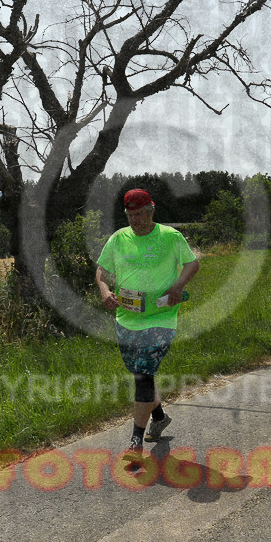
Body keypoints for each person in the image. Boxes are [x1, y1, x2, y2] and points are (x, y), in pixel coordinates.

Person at [95, 189, 200, 459]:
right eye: (130, 216)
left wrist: (178, 286)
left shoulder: (170, 237)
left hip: (160, 318)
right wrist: (105, 291)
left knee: (143, 374)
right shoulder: (118, 239)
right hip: (127, 319)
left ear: (151, 211)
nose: (135, 221)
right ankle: (160, 417)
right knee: (142, 375)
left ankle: (135, 443)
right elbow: (102, 271)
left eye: (140, 215)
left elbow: (192, 264)